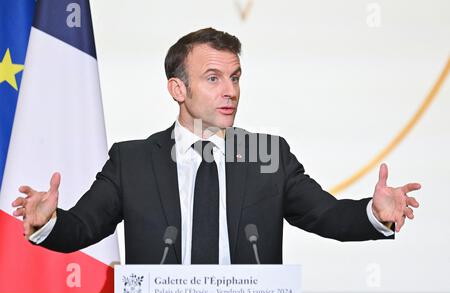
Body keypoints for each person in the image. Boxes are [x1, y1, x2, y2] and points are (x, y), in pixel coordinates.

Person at [12, 28, 421, 264]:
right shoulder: (131, 160)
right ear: (178, 88)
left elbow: (328, 216)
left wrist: (374, 213)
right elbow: (83, 227)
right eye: (213, 78)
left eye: (236, 77)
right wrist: (47, 221)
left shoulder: (270, 156)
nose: (230, 92)